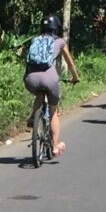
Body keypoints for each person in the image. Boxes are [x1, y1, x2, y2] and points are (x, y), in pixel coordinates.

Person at [24, 14, 79, 156]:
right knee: (53, 111)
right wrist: (75, 77)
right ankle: (55, 146)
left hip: (31, 80)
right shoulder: (59, 42)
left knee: (39, 94)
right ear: (56, 29)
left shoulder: (34, 40)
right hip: (50, 79)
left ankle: (33, 117)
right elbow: (70, 63)